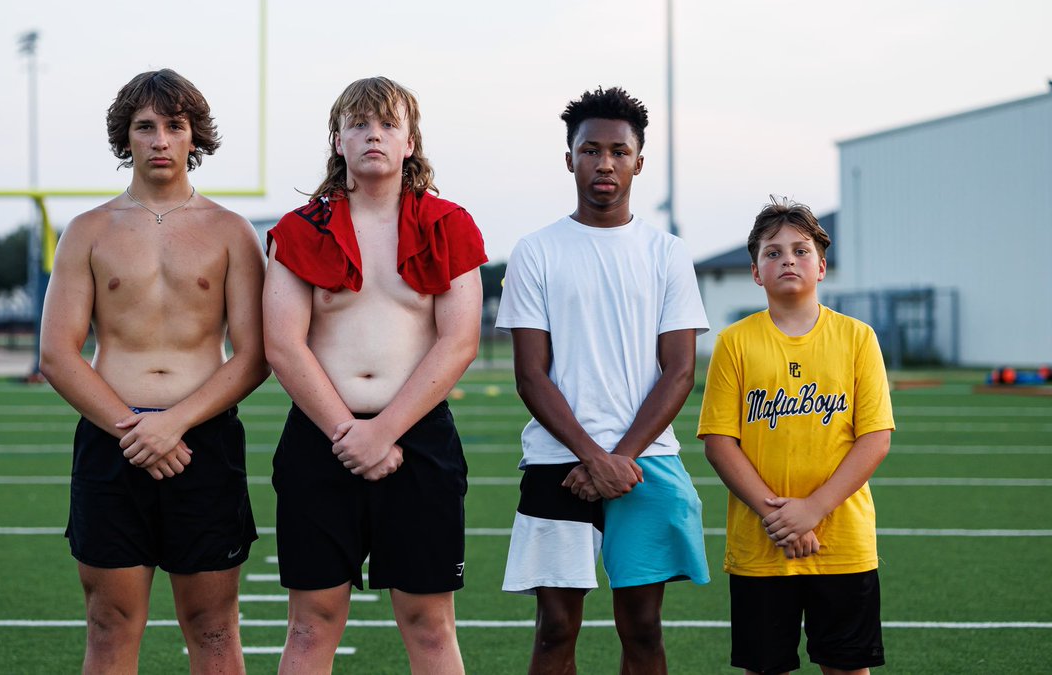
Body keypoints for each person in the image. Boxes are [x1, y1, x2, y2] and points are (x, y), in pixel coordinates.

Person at [39, 68, 269, 673]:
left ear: (195, 137)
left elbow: (254, 354)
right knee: (110, 624)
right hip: (112, 443)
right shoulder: (88, 231)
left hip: (204, 443)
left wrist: (174, 424)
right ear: (126, 138)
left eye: (175, 125)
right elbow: (58, 353)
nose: (160, 139)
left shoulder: (231, 231)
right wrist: (132, 428)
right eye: (146, 126)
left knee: (214, 628)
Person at [263, 76, 487, 674]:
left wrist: (383, 431)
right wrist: (348, 431)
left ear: (411, 141)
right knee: (311, 623)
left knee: (431, 625)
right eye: (358, 124)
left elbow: (460, 341)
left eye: (388, 125)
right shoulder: (299, 229)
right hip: (321, 436)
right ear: (337, 140)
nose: (373, 136)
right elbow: (283, 345)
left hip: (417, 439)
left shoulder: (449, 224)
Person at [495, 86, 710, 675]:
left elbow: (680, 370)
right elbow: (530, 375)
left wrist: (619, 459)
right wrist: (594, 457)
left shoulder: (667, 253)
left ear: (639, 160)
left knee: (643, 627)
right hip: (556, 461)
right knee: (555, 630)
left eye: (619, 150)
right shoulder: (536, 251)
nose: (605, 163)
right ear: (570, 159)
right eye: (591, 150)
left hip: (647, 460)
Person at [697, 196, 894, 675]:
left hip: (842, 543)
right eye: (772, 251)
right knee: (766, 667)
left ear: (822, 267)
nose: (787, 258)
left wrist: (813, 510)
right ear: (756, 272)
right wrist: (780, 517)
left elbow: (875, 439)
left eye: (801, 250)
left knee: (847, 667)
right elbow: (720, 442)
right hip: (761, 546)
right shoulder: (735, 342)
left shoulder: (857, 338)